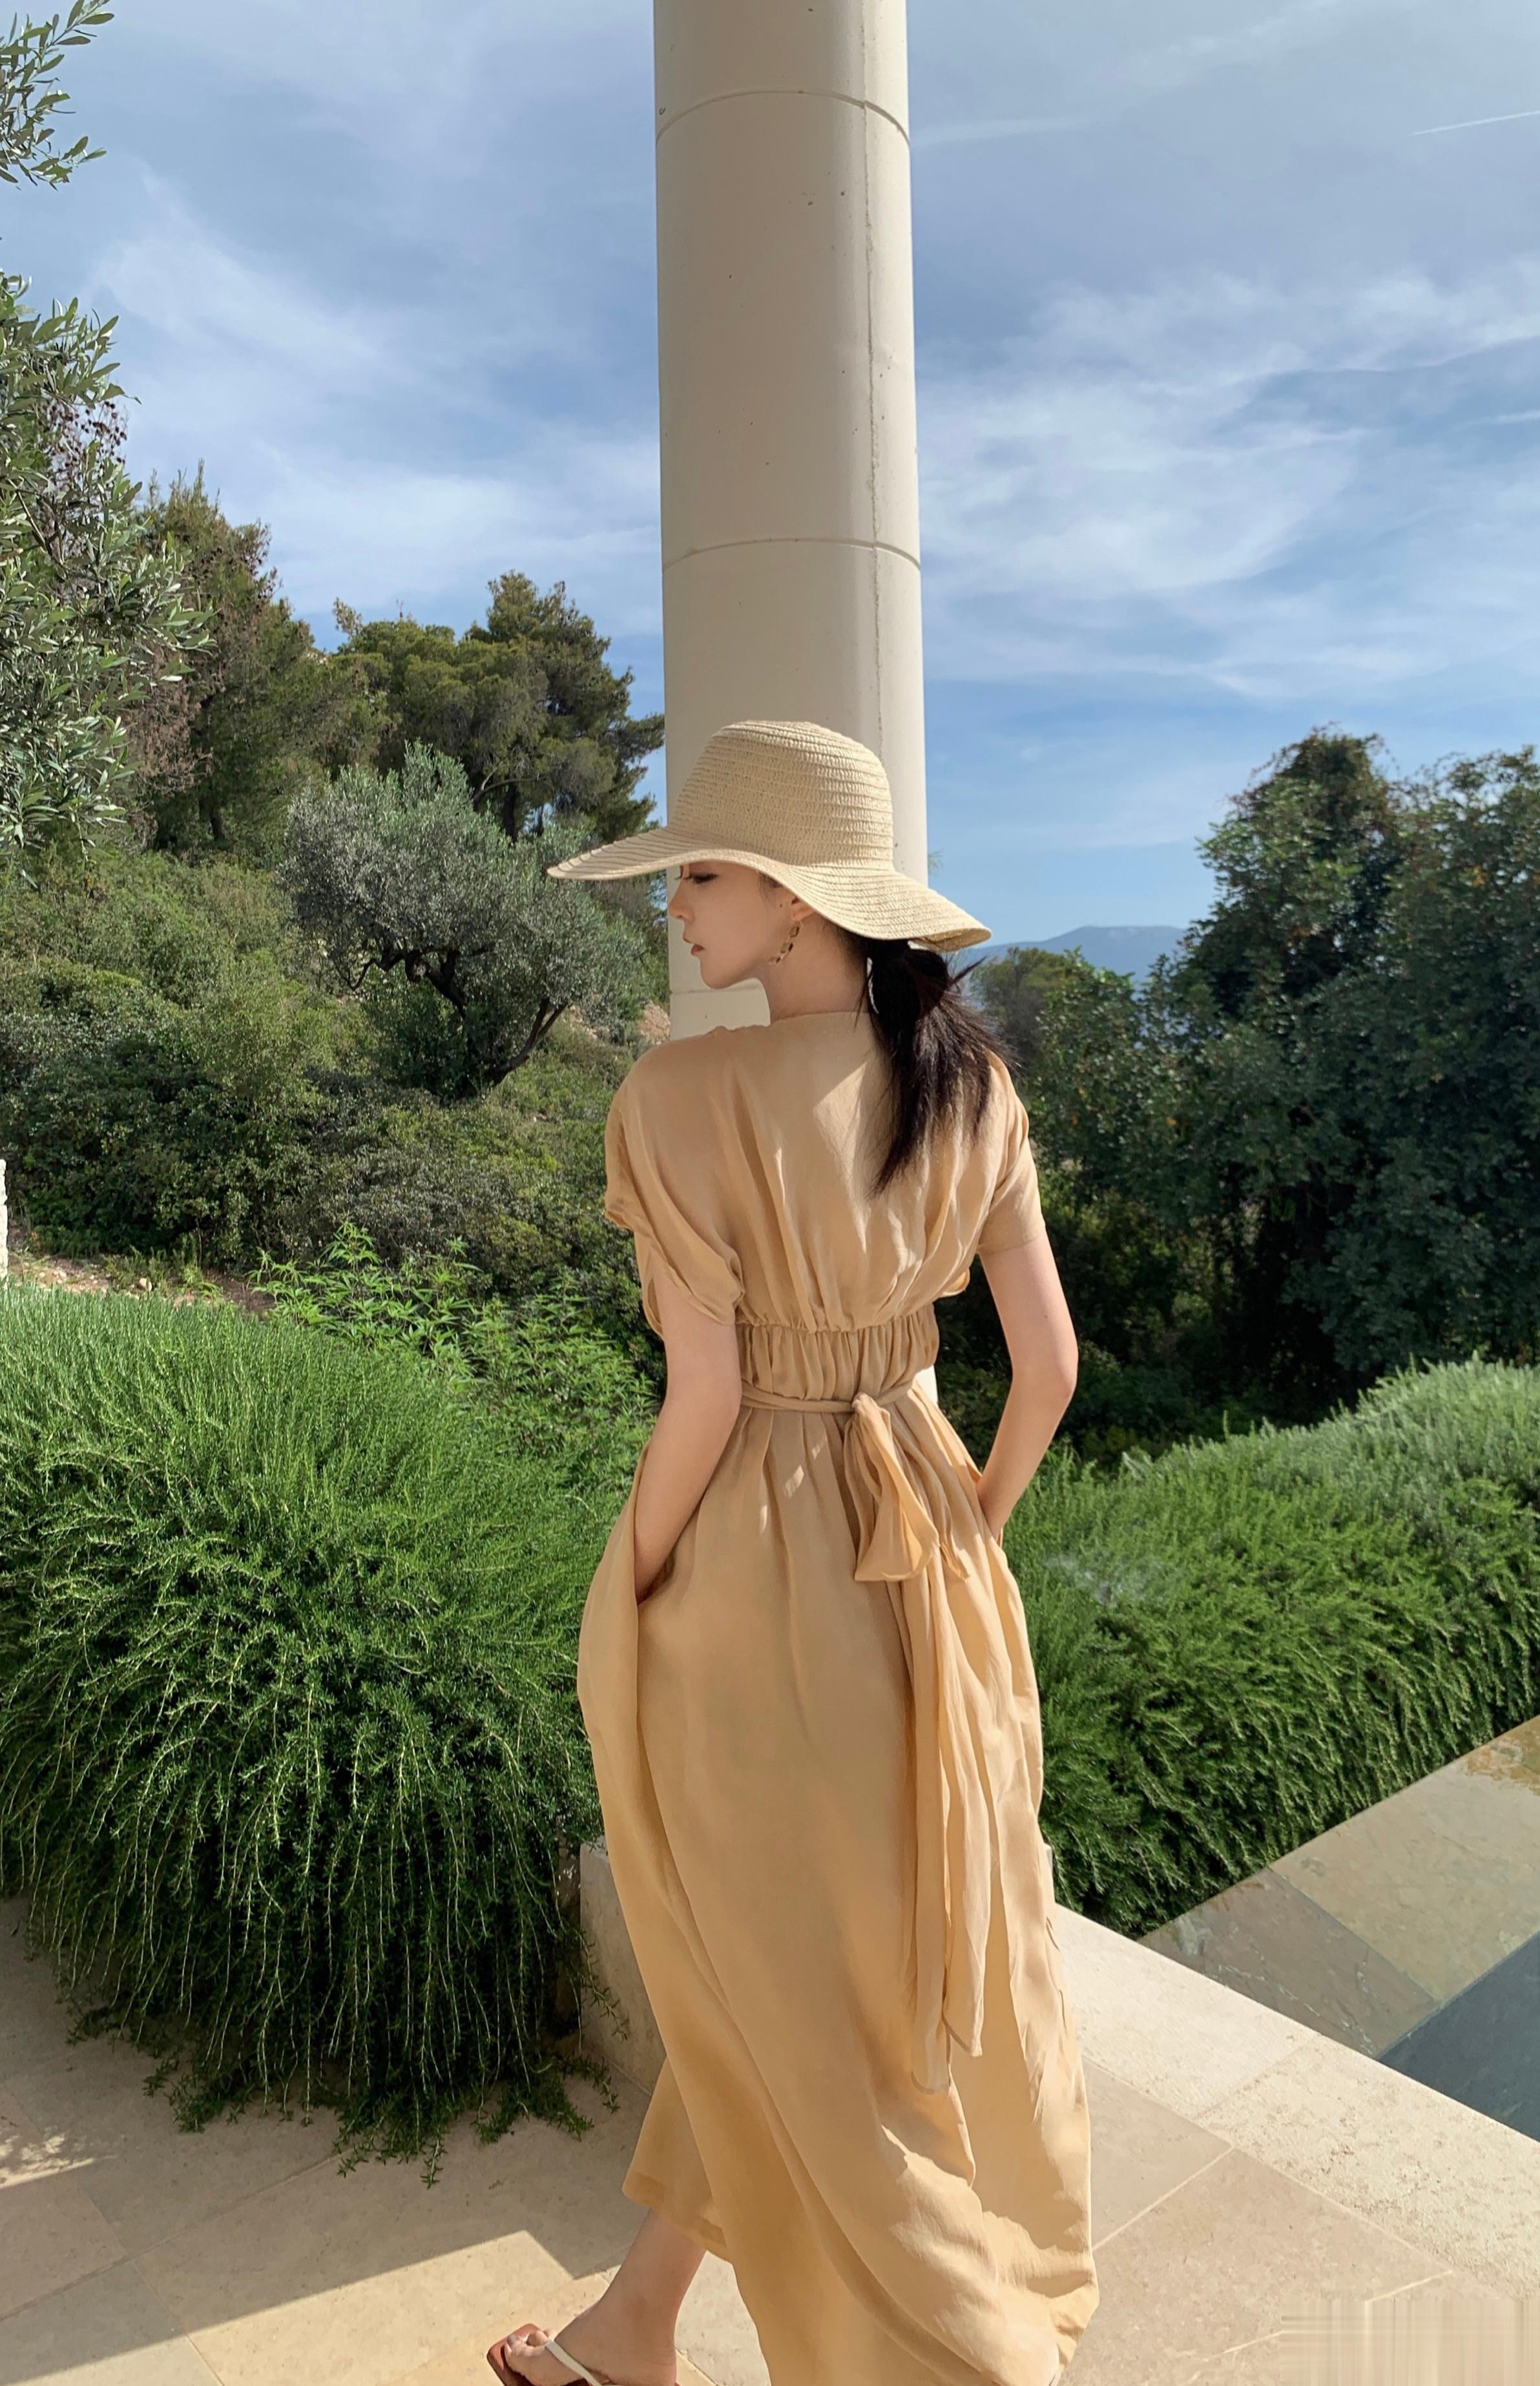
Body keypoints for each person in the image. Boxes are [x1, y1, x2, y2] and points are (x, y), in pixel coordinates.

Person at [489, 720, 1098, 2386]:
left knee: (777, 1982)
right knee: (818, 1975)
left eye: (700, 874)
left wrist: (632, 1578)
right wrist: (966, 1539)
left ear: (798, 901)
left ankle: (968, 2363)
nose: (676, 907)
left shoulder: (676, 1097)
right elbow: (1048, 1371)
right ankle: (633, 2329)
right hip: (934, 1549)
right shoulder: (973, 1086)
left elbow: (707, 1397)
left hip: (757, 1572)